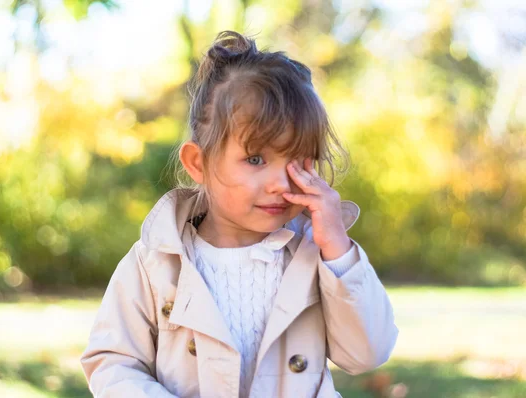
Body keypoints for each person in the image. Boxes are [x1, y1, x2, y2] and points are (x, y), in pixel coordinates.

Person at [80, 30, 398, 398]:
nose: (280, 182)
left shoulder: (317, 256)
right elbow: (112, 361)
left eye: (297, 160)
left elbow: (368, 354)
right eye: (256, 159)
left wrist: (338, 252)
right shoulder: (156, 262)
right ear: (199, 163)